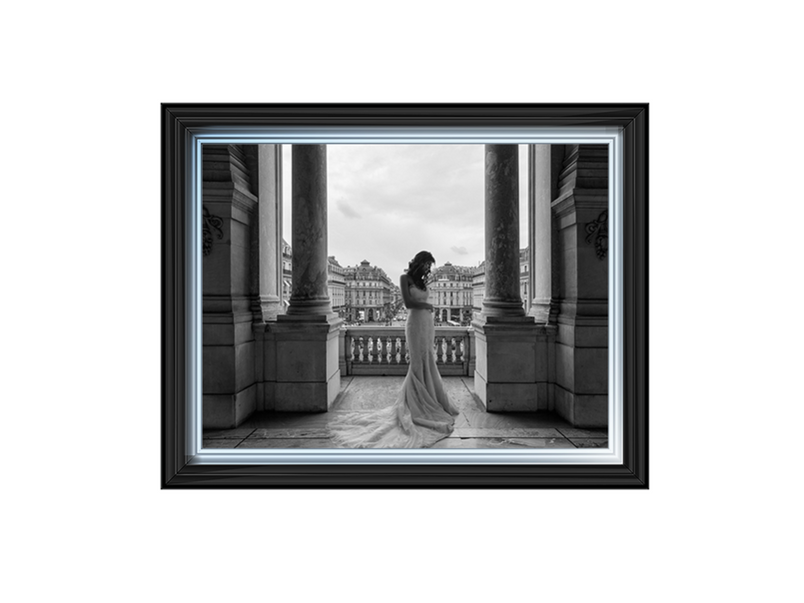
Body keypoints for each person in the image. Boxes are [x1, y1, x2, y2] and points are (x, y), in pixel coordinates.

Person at [329, 251, 460, 448]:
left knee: (428, 359)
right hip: (415, 322)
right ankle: (414, 403)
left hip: (427, 323)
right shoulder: (404, 278)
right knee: (417, 362)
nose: (428, 269)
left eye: (429, 267)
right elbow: (408, 303)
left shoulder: (423, 281)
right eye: (426, 265)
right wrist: (427, 305)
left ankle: (431, 399)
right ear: (419, 262)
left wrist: (428, 308)